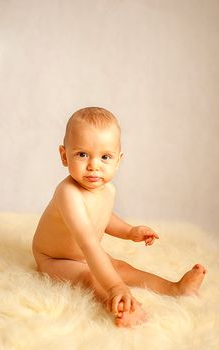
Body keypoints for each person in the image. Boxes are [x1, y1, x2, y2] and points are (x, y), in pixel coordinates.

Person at [32, 107, 206, 327]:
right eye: (82, 154)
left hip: (84, 253)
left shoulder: (108, 190)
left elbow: (104, 217)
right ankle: (122, 307)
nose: (94, 165)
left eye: (105, 157)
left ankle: (175, 289)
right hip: (55, 259)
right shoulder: (68, 194)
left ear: (118, 161)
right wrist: (116, 287)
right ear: (64, 155)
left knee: (122, 268)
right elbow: (87, 243)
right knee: (90, 278)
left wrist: (128, 231)